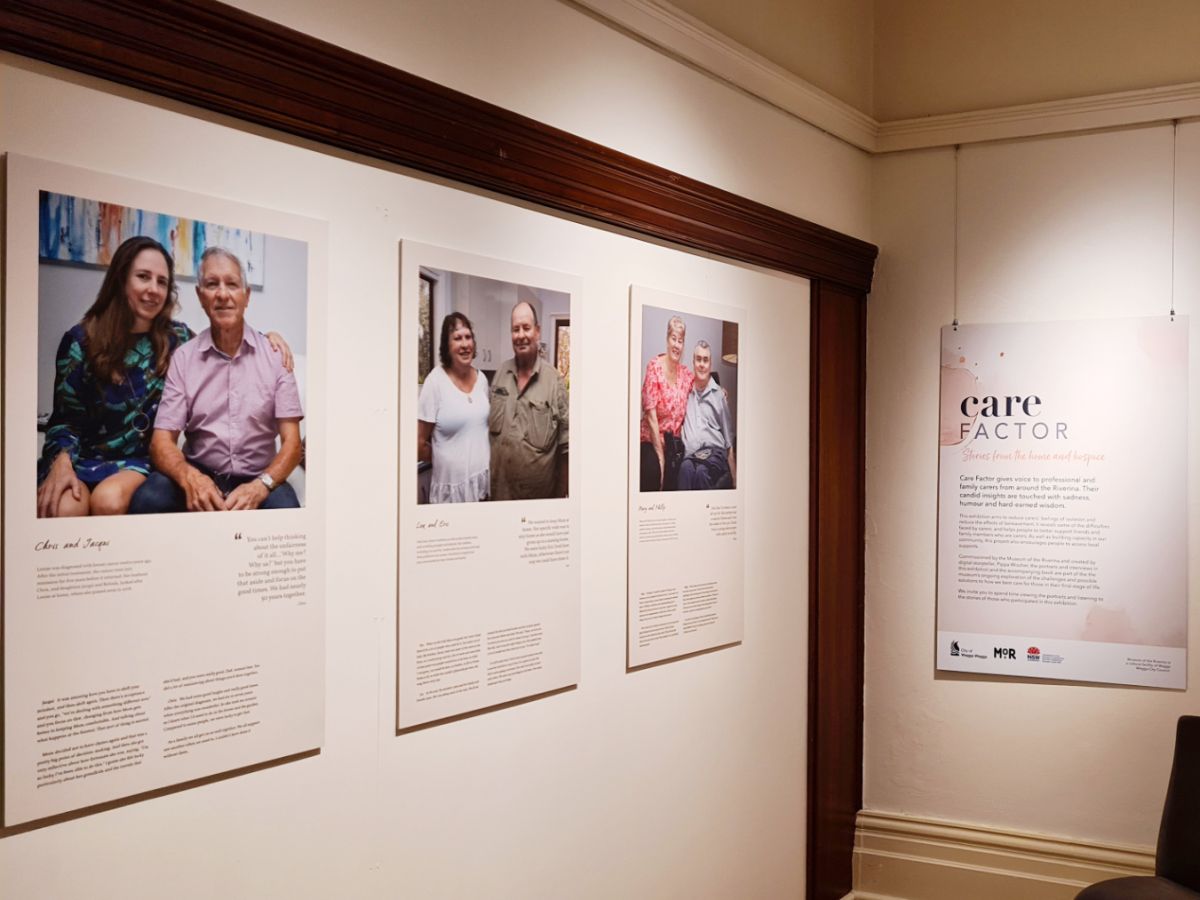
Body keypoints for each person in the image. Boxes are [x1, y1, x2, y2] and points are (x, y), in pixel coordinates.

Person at [129, 247, 303, 512]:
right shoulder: (184, 358)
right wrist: (192, 479)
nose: (222, 294)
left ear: (246, 296)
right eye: (212, 284)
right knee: (148, 500)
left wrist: (261, 486)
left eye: (232, 284)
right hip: (200, 470)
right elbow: (161, 442)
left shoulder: (276, 356)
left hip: (259, 475)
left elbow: (291, 444)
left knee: (286, 513)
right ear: (201, 296)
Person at [37, 236, 196, 517]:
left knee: (108, 502)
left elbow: (223, 348)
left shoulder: (177, 339)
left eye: (162, 281)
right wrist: (60, 462)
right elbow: (64, 421)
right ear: (121, 279)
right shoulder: (80, 341)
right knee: (63, 509)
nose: (153, 289)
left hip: (138, 461)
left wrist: (268, 339)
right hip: (79, 457)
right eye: (143, 277)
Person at [488, 300, 568, 500]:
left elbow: (566, 448)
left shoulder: (554, 381)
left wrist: (561, 499)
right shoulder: (500, 374)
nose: (521, 335)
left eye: (526, 328)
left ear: (537, 331)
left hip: (537, 506)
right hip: (499, 497)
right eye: (515, 329)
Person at [417, 312, 490, 502]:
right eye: (457, 338)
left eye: (468, 337)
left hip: (482, 487)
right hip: (451, 493)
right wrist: (447, 460)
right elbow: (419, 443)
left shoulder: (481, 379)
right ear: (447, 346)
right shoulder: (435, 382)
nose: (465, 344)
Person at [639, 315, 694, 491]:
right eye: (674, 338)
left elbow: (702, 383)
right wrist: (661, 457)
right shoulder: (654, 367)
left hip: (674, 445)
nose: (677, 345)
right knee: (653, 470)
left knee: (685, 474)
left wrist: (719, 389)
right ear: (667, 339)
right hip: (650, 440)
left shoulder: (686, 375)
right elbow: (651, 417)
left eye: (681, 341)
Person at [678, 340, 736, 490]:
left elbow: (729, 442)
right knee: (685, 470)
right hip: (691, 456)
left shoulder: (718, 396)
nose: (702, 364)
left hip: (714, 455)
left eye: (706, 360)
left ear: (710, 365)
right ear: (693, 362)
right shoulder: (685, 391)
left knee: (702, 473)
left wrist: (735, 479)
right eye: (698, 359)